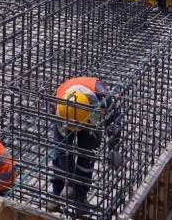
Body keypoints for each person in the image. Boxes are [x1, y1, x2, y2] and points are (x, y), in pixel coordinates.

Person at [50, 77, 121, 212]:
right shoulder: (60, 107)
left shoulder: (103, 98)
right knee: (59, 155)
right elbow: (63, 150)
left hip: (89, 121)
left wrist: (114, 148)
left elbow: (114, 123)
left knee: (87, 157)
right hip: (68, 120)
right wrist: (69, 180)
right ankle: (56, 195)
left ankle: (80, 198)